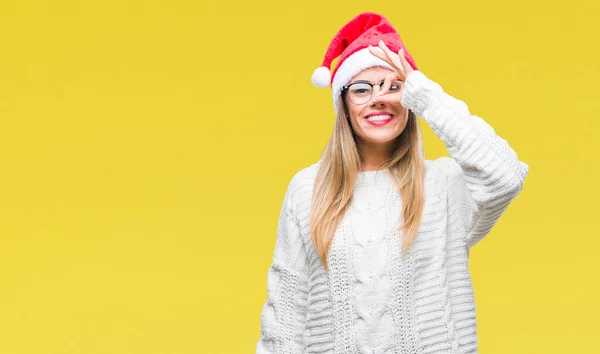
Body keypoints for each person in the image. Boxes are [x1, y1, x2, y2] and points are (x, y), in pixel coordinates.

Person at [256, 12, 529, 354]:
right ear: (342, 103)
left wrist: (426, 95)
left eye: (393, 86)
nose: (378, 98)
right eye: (361, 89)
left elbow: (505, 176)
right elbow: (284, 319)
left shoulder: (444, 186)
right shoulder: (307, 189)